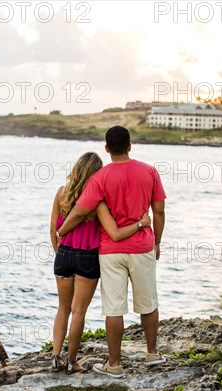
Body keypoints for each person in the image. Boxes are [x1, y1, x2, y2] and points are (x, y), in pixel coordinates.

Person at [56, 126, 166, 378]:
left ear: (107, 149)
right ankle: (152, 353)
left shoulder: (100, 177)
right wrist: (157, 241)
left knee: (114, 308)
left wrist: (61, 233)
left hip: (110, 251)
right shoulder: (149, 171)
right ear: (130, 145)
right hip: (142, 247)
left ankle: (114, 364)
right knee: (148, 302)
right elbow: (158, 211)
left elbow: (81, 211)